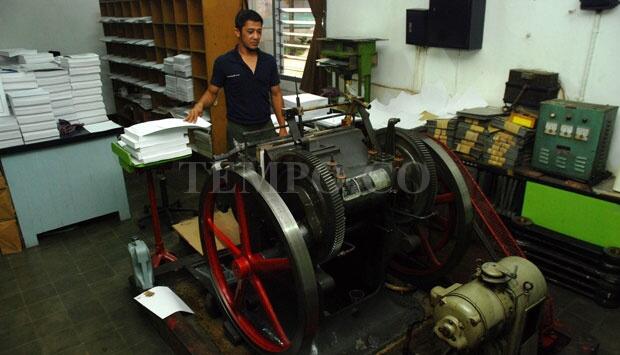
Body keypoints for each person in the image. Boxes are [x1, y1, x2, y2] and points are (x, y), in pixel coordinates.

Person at [185, 9, 287, 150]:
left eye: (259, 31)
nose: (256, 36)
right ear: (237, 32)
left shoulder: (268, 61)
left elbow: (276, 94)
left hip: (266, 127)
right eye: (250, 32)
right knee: (242, 170)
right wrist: (200, 105)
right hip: (238, 129)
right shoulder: (224, 62)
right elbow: (212, 92)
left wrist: (282, 126)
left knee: (272, 168)